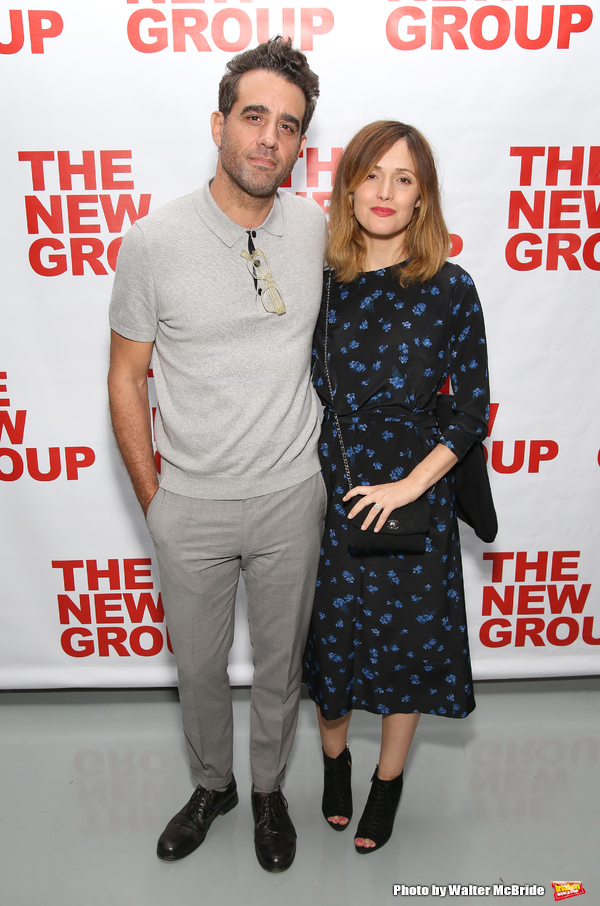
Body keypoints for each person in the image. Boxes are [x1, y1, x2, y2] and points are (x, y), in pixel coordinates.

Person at [107, 37, 328, 873]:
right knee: (197, 670)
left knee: (280, 668)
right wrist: (155, 500)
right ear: (220, 124)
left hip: (290, 495)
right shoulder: (153, 240)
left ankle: (267, 789)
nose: (269, 138)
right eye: (254, 117)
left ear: (302, 144)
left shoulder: (316, 229)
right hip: (190, 502)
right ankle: (214, 785)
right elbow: (126, 378)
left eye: (289, 125)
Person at [302, 121, 490, 854]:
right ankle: (335, 762)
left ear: (422, 198)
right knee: (334, 649)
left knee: (407, 654)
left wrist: (409, 487)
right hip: (330, 493)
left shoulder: (451, 287)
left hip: (418, 499)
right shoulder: (320, 281)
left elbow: (471, 408)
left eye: (404, 178)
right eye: (372, 174)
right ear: (348, 187)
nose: (385, 192)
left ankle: (387, 784)